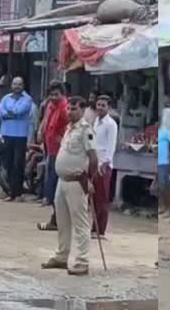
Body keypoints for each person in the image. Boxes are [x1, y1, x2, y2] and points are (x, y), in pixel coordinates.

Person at [41, 96, 99, 276]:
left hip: (76, 180)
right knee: (62, 221)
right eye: (69, 109)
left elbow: (93, 157)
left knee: (80, 222)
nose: (70, 111)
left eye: (74, 109)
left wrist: (89, 179)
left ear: (82, 110)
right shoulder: (68, 129)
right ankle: (61, 255)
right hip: (62, 180)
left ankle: (82, 261)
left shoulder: (85, 130)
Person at [36, 81, 69, 228]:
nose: (54, 97)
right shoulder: (50, 106)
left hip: (61, 152)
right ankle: (55, 218)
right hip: (50, 149)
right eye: (51, 94)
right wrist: (40, 132)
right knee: (52, 185)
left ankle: (58, 220)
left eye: (57, 94)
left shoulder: (65, 108)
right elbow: (45, 121)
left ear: (63, 95)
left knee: (57, 187)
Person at [0, 76, 33, 201]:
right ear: (11, 85)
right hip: (6, 134)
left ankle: (19, 193)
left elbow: (19, 111)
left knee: (18, 164)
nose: (17, 86)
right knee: (9, 163)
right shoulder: (6, 98)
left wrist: (8, 113)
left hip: (20, 135)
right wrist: (10, 114)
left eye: (19, 84)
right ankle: (11, 192)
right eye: (15, 84)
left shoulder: (27, 99)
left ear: (23, 86)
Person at [92, 95, 118, 238]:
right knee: (94, 198)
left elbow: (111, 146)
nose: (100, 107)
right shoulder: (96, 121)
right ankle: (93, 227)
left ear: (108, 107)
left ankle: (100, 230)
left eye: (103, 105)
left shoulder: (111, 124)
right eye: (98, 105)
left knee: (102, 198)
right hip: (95, 162)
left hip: (104, 165)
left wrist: (105, 163)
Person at [158, 124, 170, 215]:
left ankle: (169, 209)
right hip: (158, 162)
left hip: (164, 162)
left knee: (166, 186)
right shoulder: (156, 133)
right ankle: (163, 207)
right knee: (161, 187)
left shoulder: (165, 131)